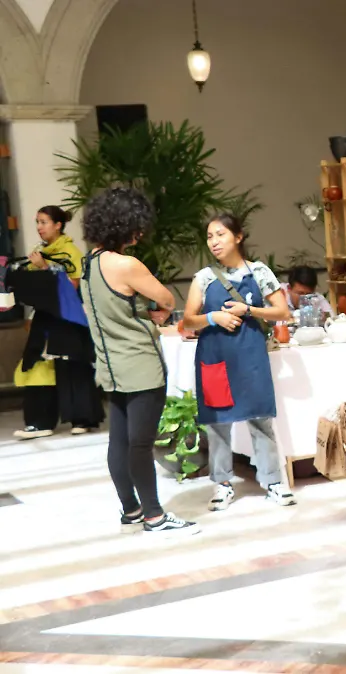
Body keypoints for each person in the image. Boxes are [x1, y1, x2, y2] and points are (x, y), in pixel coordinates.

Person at [79, 187, 199, 535]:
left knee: (119, 441)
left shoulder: (89, 264)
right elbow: (165, 298)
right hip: (141, 365)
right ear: (125, 224)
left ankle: (131, 510)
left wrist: (143, 313)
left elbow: (113, 312)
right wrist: (157, 312)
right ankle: (155, 516)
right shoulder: (126, 264)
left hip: (110, 365)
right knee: (141, 444)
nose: (140, 234)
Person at [181, 214, 297, 510]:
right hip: (215, 356)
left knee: (260, 418)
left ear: (238, 237)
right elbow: (188, 320)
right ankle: (222, 484)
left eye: (220, 234)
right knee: (218, 423)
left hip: (250, 355)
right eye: (210, 236)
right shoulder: (204, 277)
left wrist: (249, 310)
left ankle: (273, 481)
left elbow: (282, 312)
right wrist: (214, 317)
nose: (214, 242)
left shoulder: (259, 272)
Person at [13, 205, 105, 439]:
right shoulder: (39, 251)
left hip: (68, 317)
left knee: (73, 366)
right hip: (45, 316)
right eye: (37, 222)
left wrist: (45, 269)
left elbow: (73, 287)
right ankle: (40, 421)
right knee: (36, 365)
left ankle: (82, 418)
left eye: (44, 222)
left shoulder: (70, 251)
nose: (39, 227)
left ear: (58, 225)